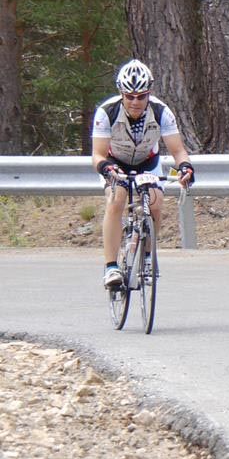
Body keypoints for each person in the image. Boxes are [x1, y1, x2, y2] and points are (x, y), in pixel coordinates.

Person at [91, 59, 195, 289]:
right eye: (130, 96)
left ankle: (148, 256)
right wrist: (106, 168)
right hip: (115, 162)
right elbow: (97, 155)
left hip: (148, 162)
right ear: (122, 93)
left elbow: (178, 150)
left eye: (141, 96)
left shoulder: (161, 112)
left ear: (149, 93)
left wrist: (186, 167)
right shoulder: (106, 112)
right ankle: (111, 268)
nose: (135, 102)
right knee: (116, 198)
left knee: (156, 203)